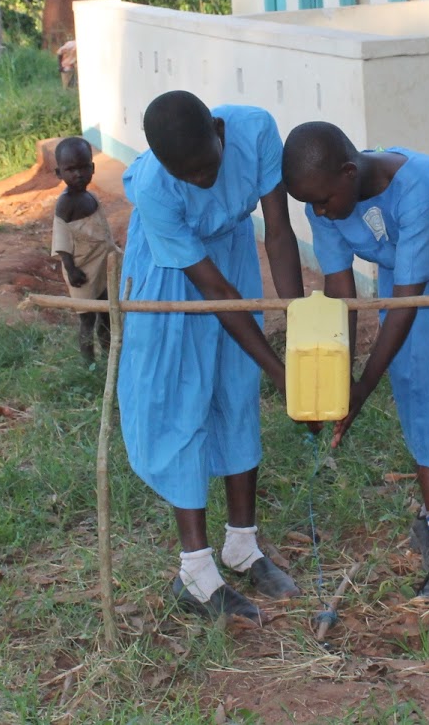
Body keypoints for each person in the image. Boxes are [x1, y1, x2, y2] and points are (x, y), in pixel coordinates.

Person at [280, 121, 429, 603]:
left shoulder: (423, 189)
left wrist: (362, 391)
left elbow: (409, 303)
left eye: (325, 201)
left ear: (349, 172)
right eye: (312, 205)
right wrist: (337, 379)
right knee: (422, 390)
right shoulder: (323, 201)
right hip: (409, 285)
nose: (320, 212)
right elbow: (340, 292)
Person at [120, 90, 305, 624]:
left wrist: (297, 332)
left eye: (206, 167)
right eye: (187, 175)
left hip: (233, 254)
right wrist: (280, 372)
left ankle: (242, 547)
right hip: (172, 275)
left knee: (236, 389)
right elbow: (216, 294)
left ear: (219, 135)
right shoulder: (157, 188)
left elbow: (278, 233)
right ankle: (196, 572)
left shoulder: (255, 131)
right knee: (184, 400)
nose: (201, 180)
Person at [51, 136, 115, 365]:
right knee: (87, 319)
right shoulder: (65, 204)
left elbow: (103, 230)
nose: (78, 174)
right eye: (71, 169)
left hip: (101, 267)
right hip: (82, 272)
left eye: (83, 167)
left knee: (107, 314)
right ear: (59, 173)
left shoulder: (91, 198)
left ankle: (109, 357)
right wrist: (71, 269)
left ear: (93, 168)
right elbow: (61, 240)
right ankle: (88, 363)